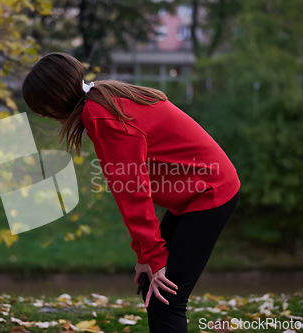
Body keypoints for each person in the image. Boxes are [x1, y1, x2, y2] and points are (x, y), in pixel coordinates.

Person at [21, 52, 241, 333]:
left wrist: (154, 255)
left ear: (53, 100)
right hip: (195, 193)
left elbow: (132, 191)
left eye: (40, 107)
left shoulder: (101, 115)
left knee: (166, 299)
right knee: (152, 285)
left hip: (210, 192)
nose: (41, 114)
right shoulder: (101, 99)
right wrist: (144, 255)